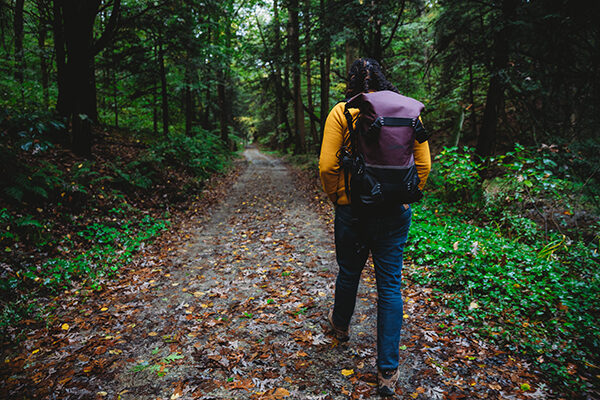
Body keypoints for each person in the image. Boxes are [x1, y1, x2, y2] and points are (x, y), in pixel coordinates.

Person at [318, 58, 431, 397]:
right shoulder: (408, 111)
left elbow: (326, 165)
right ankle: (387, 372)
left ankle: (339, 328)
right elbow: (423, 162)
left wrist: (340, 196)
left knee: (349, 272)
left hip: (354, 211)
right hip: (394, 212)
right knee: (390, 287)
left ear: (350, 83)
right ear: (384, 81)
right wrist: (407, 195)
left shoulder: (342, 111)